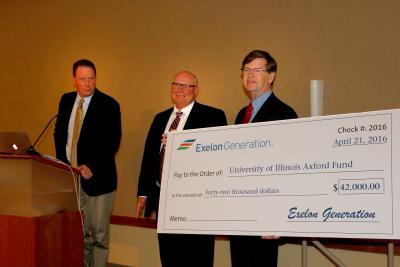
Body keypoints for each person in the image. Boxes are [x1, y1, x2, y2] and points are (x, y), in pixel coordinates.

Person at [136, 70, 227, 267]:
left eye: (187, 86)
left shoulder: (213, 116)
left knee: (197, 258)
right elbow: (149, 157)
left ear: (196, 91)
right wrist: (143, 193)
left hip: (197, 203)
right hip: (164, 199)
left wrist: (181, 144)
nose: (180, 90)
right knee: (169, 257)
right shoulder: (160, 118)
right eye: (177, 84)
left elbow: (217, 157)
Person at [230, 50, 297, 267]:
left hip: (265, 216)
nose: (250, 75)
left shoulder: (284, 113)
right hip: (239, 213)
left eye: (257, 70)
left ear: (272, 75)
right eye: (246, 70)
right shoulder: (242, 115)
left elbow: (288, 170)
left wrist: (280, 217)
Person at [54, 59, 121, 267]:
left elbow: (112, 141)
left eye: (91, 78)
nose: (87, 83)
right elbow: (59, 134)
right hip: (71, 177)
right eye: (82, 79)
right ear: (74, 80)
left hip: (99, 178)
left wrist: (91, 166)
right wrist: (63, 164)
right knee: (79, 232)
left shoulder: (109, 104)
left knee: (99, 235)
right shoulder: (66, 100)